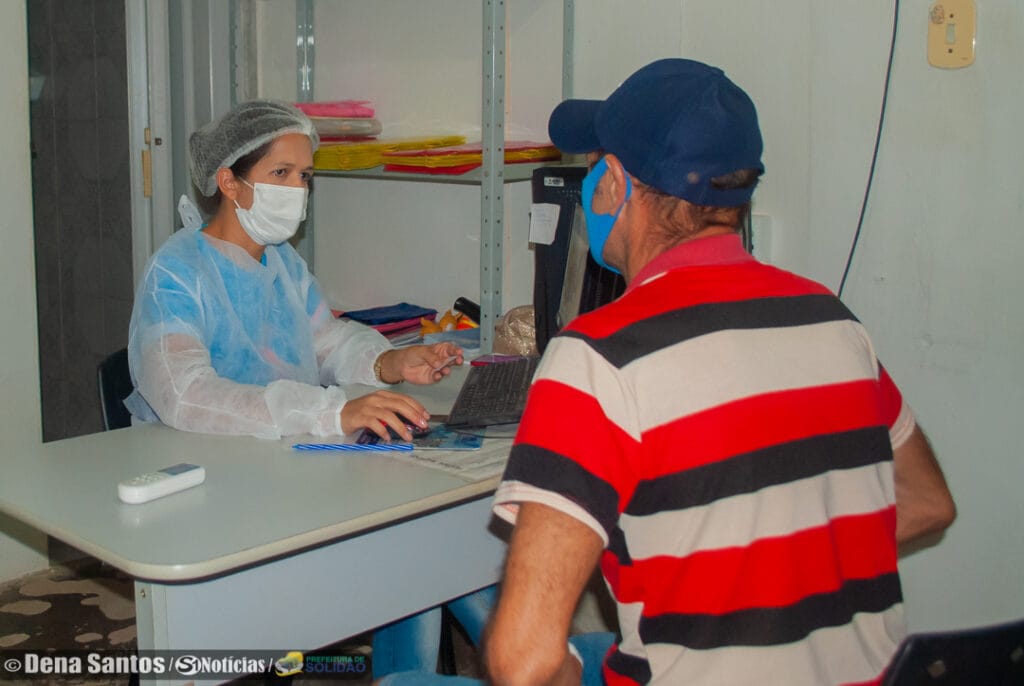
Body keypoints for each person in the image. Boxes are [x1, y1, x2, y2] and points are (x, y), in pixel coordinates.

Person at [383, 59, 957, 686]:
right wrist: (770, 581)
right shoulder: (834, 322)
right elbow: (928, 502)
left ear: (614, 182)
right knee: (600, 645)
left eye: (594, 165)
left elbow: (525, 663)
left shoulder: (598, 357)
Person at [124, 99, 493, 678]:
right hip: (213, 490)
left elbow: (327, 340)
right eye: (281, 173)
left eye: (305, 176)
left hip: (289, 465)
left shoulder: (282, 264)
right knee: (413, 550)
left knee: (423, 542)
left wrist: (391, 361)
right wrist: (331, 412)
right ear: (229, 182)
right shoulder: (175, 273)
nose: (297, 190)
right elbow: (185, 394)